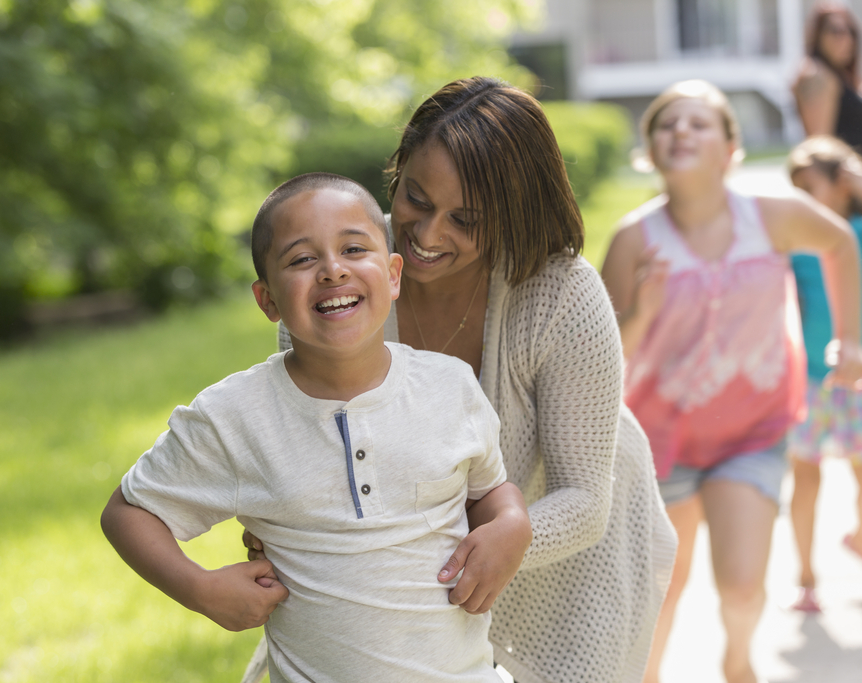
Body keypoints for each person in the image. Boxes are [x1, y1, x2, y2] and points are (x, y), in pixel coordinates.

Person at [245, 76, 678, 683]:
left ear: (513, 212)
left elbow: (586, 500)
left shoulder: (562, 293)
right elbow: (313, 448)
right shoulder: (337, 283)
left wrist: (501, 536)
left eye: (464, 219)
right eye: (417, 200)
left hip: (570, 542)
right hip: (417, 577)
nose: (427, 235)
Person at [101, 171, 532, 682]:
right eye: (302, 259)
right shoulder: (234, 416)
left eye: (354, 249)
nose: (332, 271)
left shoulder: (450, 387)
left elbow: (490, 490)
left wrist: (512, 523)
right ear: (269, 301)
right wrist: (200, 589)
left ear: (393, 274)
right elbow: (129, 513)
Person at [600, 80, 862, 683]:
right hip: (662, 443)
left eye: (698, 123)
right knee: (664, 588)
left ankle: (738, 664)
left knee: (742, 587)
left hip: (754, 429)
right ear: (651, 150)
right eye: (666, 124)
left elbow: (841, 243)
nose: (681, 132)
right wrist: (639, 313)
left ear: (730, 147)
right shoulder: (635, 240)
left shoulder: (770, 217)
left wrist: (849, 337)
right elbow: (605, 360)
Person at [785, 135, 862, 613]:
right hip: (809, 382)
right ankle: (806, 580)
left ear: (840, 183)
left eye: (809, 186)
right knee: (805, 480)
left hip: (857, 379)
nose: (800, 198)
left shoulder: (856, 228)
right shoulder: (794, 242)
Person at [792, 3, 862, 150]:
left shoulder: (841, 76)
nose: (846, 39)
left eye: (851, 32)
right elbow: (819, 147)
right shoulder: (816, 75)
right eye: (837, 31)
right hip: (841, 171)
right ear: (818, 35)